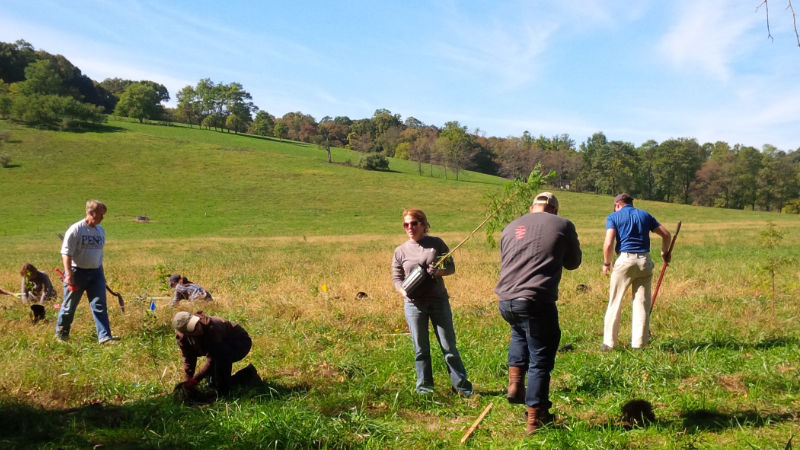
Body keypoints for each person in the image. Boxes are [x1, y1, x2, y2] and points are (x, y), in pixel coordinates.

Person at [495, 192, 582, 434]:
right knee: (541, 359)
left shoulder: (510, 226)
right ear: (553, 209)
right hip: (535, 300)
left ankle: (515, 385)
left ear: (532, 207)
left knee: (519, 334)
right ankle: (536, 419)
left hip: (506, 300)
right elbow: (573, 262)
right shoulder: (563, 224)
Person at [391, 208, 473, 397]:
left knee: (449, 346)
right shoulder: (400, 251)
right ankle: (425, 389)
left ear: (423, 224)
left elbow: (450, 267)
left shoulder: (436, 244)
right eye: (406, 224)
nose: (409, 228)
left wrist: (439, 272)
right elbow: (396, 277)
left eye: (414, 223)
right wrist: (402, 289)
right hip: (414, 304)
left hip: (438, 301)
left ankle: (462, 387)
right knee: (421, 348)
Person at [602, 193, 671, 351]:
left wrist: (606, 263)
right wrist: (664, 252)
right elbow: (666, 234)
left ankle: (609, 344)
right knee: (641, 304)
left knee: (615, 301)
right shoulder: (644, 215)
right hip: (644, 262)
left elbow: (608, 243)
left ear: (618, 204)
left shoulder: (614, 216)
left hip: (624, 260)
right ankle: (639, 345)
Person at [55, 200, 116, 344]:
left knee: (100, 305)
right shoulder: (76, 229)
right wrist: (69, 274)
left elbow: (99, 254)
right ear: (91, 213)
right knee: (69, 305)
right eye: (100, 214)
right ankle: (61, 335)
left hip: (96, 273)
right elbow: (66, 253)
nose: (102, 218)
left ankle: (105, 337)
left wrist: (102, 274)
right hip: (77, 272)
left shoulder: (101, 230)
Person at [172, 310, 253, 396]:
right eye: (193, 329)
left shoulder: (212, 327)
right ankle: (224, 382)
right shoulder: (183, 339)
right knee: (213, 380)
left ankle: (224, 392)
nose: (198, 329)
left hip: (240, 344)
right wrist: (188, 381)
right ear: (186, 333)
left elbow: (212, 360)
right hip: (219, 348)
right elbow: (188, 358)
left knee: (220, 360)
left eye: (196, 324)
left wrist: (196, 379)